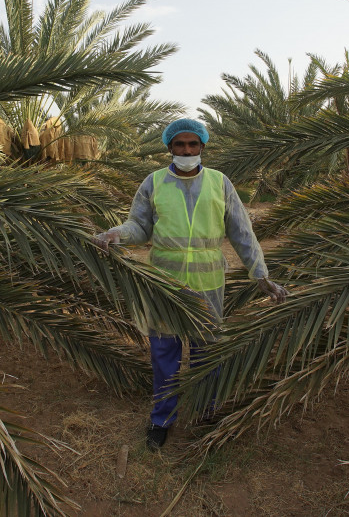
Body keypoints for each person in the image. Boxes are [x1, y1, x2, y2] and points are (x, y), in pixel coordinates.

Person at [93, 118, 287, 451]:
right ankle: (162, 419)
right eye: (180, 145)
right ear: (169, 148)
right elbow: (139, 227)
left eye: (193, 144)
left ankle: (204, 411)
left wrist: (261, 275)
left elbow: (242, 232)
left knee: (206, 353)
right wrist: (116, 234)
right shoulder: (153, 183)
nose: (186, 150)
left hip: (208, 283)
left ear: (202, 147)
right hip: (164, 284)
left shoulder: (219, 183)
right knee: (164, 353)